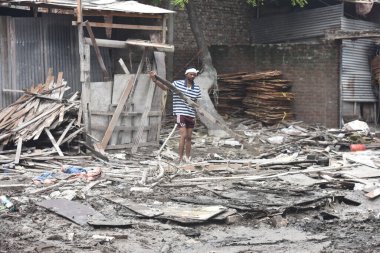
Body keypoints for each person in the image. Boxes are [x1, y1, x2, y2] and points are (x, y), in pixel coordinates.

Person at [150, 67, 201, 163]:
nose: (193, 76)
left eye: (194, 75)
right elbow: (165, 88)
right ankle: (180, 157)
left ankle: (187, 157)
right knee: (183, 135)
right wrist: (155, 80)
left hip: (191, 114)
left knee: (189, 137)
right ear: (186, 75)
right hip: (180, 113)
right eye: (191, 74)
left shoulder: (197, 88)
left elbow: (196, 102)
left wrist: (198, 112)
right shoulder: (177, 84)